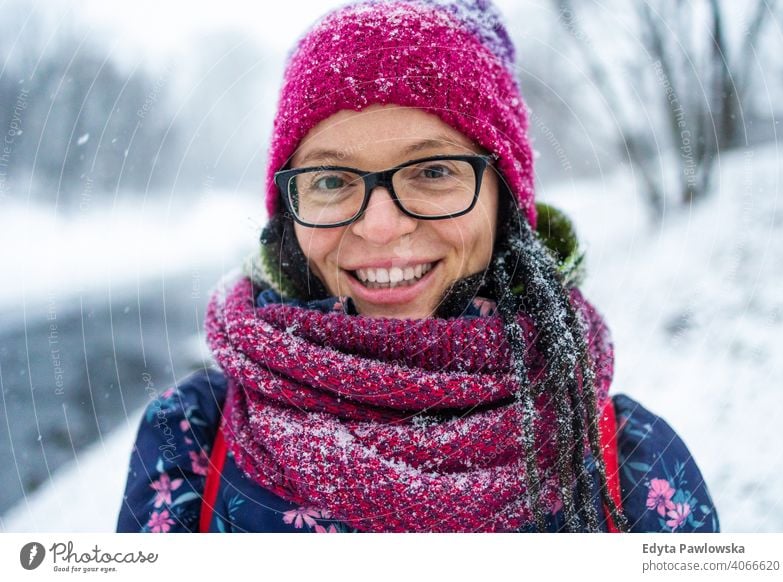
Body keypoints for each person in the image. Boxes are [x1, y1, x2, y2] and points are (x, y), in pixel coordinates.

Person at [116, 0, 719, 533]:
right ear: (291, 213)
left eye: (433, 172)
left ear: (503, 200)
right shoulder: (190, 440)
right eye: (330, 179)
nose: (380, 227)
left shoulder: (632, 469)